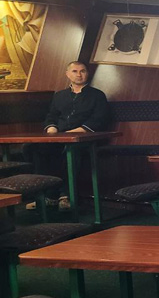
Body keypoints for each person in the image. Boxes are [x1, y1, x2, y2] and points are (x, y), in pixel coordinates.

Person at [28, 61, 110, 210]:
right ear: (67, 74)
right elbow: (51, 116)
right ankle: (47, 195)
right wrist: (51, 128)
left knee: (71, 150)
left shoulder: (97, 95)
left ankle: (66, 196)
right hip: (59, 137)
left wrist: (71, 133)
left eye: (82, 71)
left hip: (85, 138)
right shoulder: (59, 95)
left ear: (87, 73)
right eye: (75, 71)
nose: (79, 74)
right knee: (33, 148)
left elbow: (98, 120)